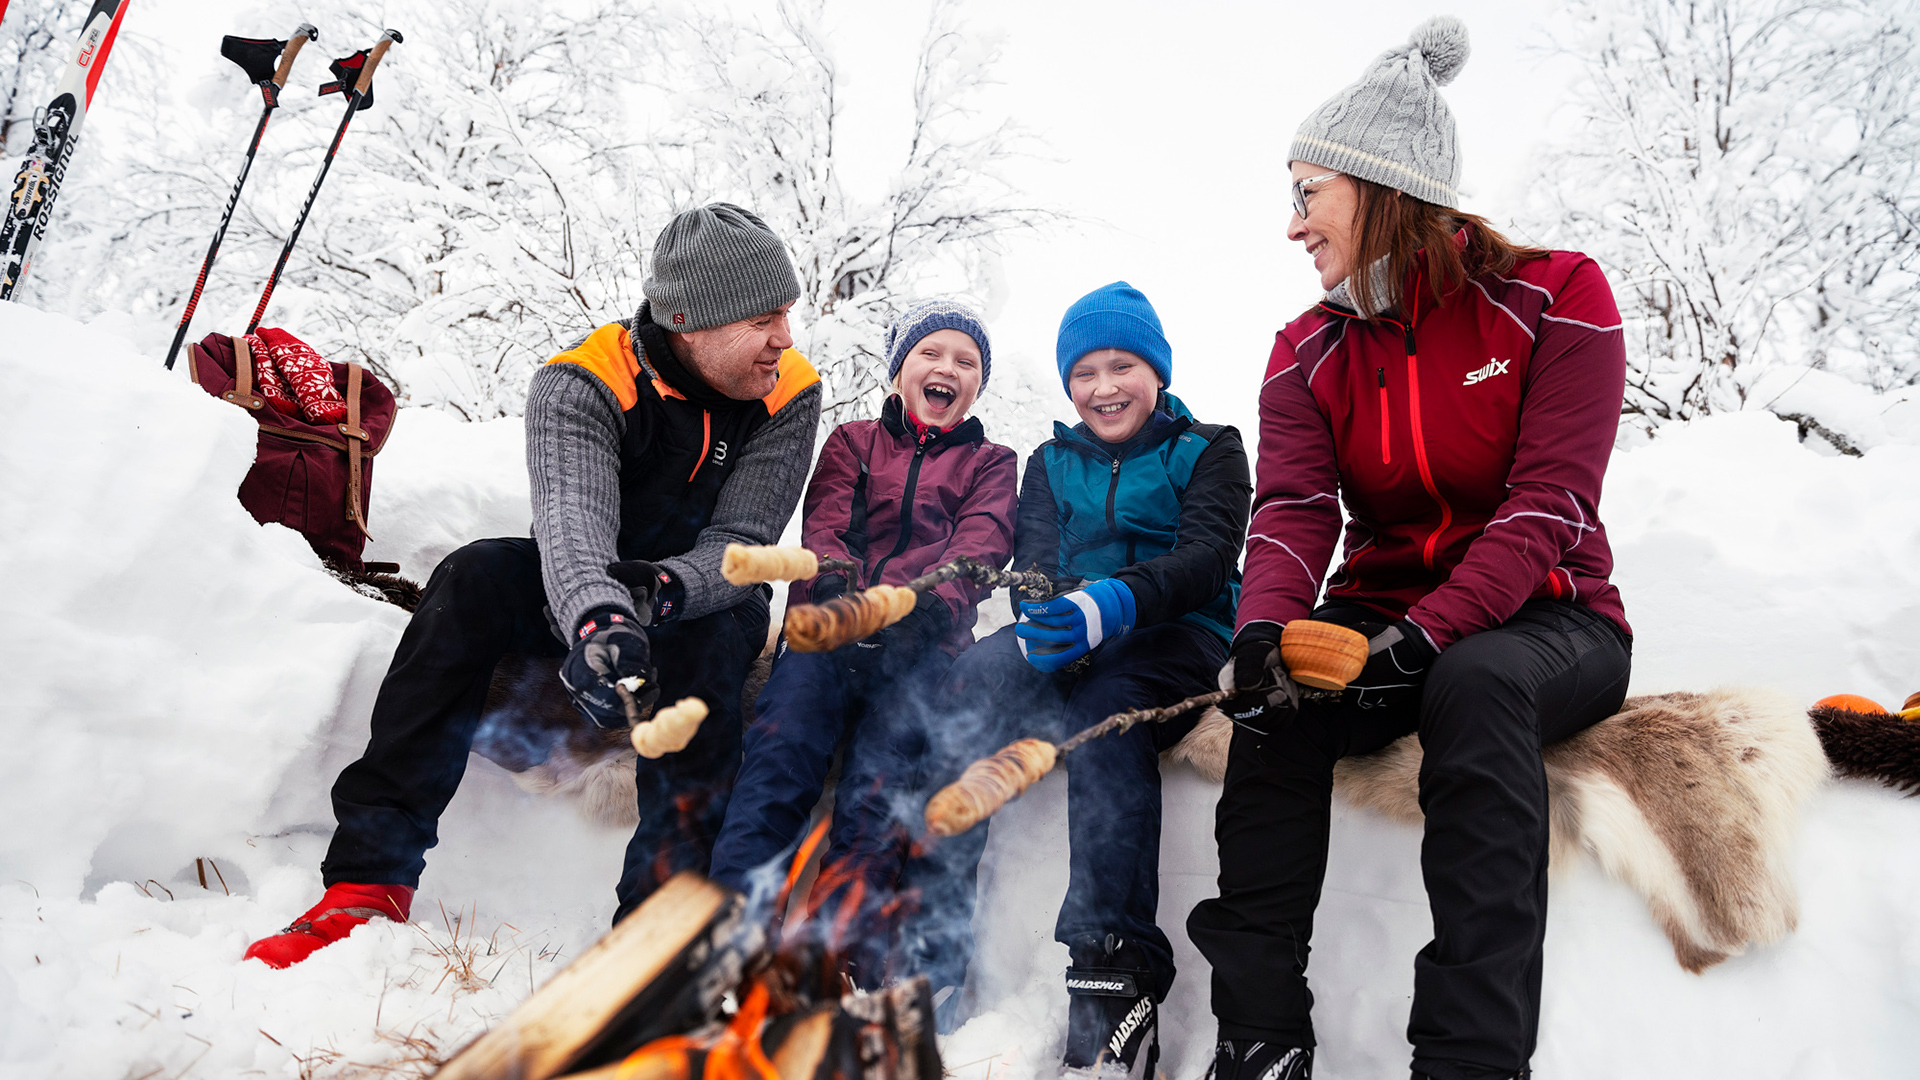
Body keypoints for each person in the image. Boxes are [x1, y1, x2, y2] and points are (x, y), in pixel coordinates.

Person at [1187, 18, 1633, 1080]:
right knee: (1282, 697)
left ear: (1381, 184)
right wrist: (1264, 632)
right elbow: (1295, 508)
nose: (1292, 224)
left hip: (1550, 618)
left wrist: (1430, 634)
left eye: (1308, 193)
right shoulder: (1308, 348)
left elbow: (1548, 505)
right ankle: (1258, 1039)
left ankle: (1469, 1060)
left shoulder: (1557, 297)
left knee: (1475, 685)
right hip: (1388, 614)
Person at [243, 203, 823, 968]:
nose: (784, 336)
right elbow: (572, 524)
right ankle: (367, 880)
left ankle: (657, 930)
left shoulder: (790, 388)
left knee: (716, 645)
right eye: (762, 318)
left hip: (701, 595)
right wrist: (600, 622)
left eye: (787, 312)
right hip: (584, 580)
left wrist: (659, 594)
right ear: (691, 321)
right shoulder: (580, 381)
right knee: (474, 573)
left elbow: (741, 543)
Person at [907, 282, 1251, 1078]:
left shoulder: (1210, 447)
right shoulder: (1052, 462)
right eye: (1085, 372)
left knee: (1108, 714)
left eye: (1122, 366)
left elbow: (1205, 560)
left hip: (1175, 636)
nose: (1103, 388)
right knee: (967, 690)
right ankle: (932, 943)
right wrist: (1047, 615)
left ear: (1156, 372)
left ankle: (1112, 977)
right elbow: (1033, 566)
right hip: (1076, 634)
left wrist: (1117, 602)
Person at [707, 301, 1018, 983]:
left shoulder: (992, 462)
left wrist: (926, 605)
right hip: (828, 632)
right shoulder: (852, 442)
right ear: (900, 368)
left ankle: (833, 957)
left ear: (978, 385)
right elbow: (824, 530)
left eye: (966, 362)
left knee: (880, 787)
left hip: (921, 649)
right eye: (931, 354)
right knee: (779, 757)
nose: (948, 369)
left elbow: (982, 542)